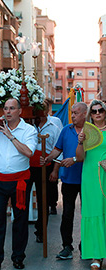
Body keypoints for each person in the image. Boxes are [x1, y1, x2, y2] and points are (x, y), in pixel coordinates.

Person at [0, 98, 37, 270]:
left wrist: (11, 137)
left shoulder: (28, 130)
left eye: (12, 108)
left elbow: (28, 152)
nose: (8, 112)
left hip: (20, 181)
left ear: (20, 111)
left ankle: (18, 257)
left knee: (20, 220)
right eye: (5, 108)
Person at [40, 102, 87, 260]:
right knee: (67, 214)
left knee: (87, 214)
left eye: (76, 113)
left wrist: (74, 159)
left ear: (85, 114)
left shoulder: (91, 131)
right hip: (68, 179)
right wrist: (48, 158)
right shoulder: (66, 130)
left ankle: (85, 245)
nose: (73, 115)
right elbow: (57, 149)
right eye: (72, 112)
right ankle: (67, 246)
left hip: (88, 179)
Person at [76, 99, 106, 269]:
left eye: (100, 110)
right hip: (90, 176)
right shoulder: (86, 132)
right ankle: (96, 255)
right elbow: (79, 158)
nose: (97, 113)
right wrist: (80, 142)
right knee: (94, 212)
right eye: (93, 111)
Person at [30, 104, 61, 243]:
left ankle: (41, 230)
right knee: (22, 196)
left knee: (44, 200)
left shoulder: (54, 127)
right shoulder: (28, 124)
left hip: (46, 166)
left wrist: (55, 170)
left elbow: (59, 149)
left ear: (45, 111)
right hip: (28, 166)